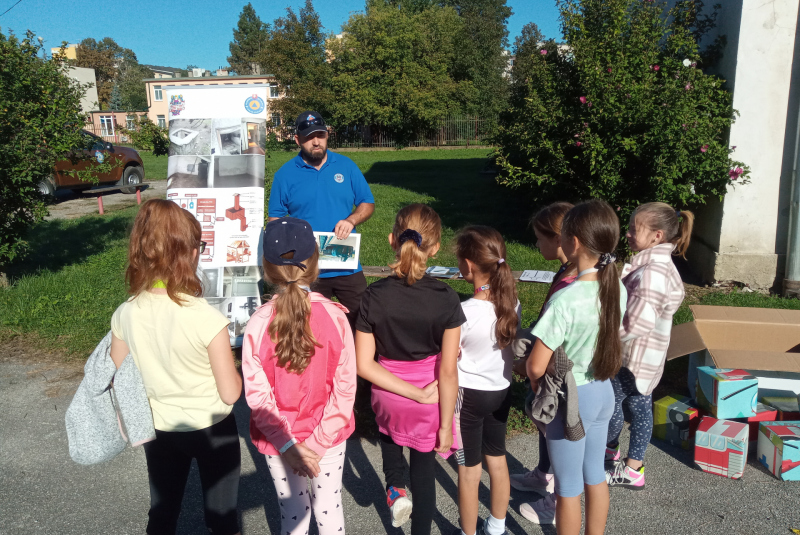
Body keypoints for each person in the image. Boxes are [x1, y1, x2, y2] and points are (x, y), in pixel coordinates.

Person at [109, 199, 242, 535]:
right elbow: (230, 391)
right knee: (222, 517)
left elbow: (118, 372)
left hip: (159, 429)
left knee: (163, 510)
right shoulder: (206, 319)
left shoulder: (125, 313)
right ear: (189, 252)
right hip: (213, 427)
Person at [354, 204, 466, 535]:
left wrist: (408, 392)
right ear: (435, 247)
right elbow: (448, 372)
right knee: (424, 472)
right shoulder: (447, 298)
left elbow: (363, 363)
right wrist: (445, 426)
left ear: (392, 240)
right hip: (430, 400)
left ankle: (395, 490)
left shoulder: (373, 295)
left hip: (388, 395)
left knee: (390, 439)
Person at [242, 217, 357, 535]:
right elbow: (345, 390)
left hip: (278, 443)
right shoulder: (336, 318)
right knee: (329, 510)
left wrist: (287, 444)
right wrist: (319, 443)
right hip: (329, 440)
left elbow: (257, 396)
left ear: (267, 269)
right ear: (315, 262)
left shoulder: (257, 324)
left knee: (293, 514)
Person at [525, 199, 626, 534]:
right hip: (603, 392)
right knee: (595, 475)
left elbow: (536, 365)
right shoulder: (617, 288)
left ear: (574, 242)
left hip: (570, 401)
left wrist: (536, 386)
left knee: (568, 489)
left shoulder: (565, 300)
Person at [605, 203, 692, 489]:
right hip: (647, 357)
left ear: (656, 236)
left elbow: (636, 323)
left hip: (631, 357)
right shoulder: (658, 266)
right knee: (640, 406)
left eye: (633, 229)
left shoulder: (653, 272)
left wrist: (605, 338)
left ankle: (608, 455)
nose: (627, 234)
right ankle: (633, 466)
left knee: (611, 404)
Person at [267, 111, 375, 328]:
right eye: (308, 137)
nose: (315, 142)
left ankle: (361, 360)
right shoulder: (284, 174)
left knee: (365, 320)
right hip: (306, 268)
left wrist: (351, 220)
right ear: (297, 140)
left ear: (328, 135)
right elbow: (275, 220)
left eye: (320, 135)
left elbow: (367, 203)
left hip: (346, 263)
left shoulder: (346, 166)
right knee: (307, 325)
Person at [509, 202, 578, 524]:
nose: (536, 244)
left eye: (540, 237)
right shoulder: (566, 271)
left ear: (560, 238)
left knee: (556, 429)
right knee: (545, 426)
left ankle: (556, 501)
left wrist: (526, 366)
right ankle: (543, 473)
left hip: (556, 372)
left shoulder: (570, 284)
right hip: (550, 364)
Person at [453, 226, 521, 535]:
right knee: (497, 458)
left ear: (467, 266)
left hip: (469, 397)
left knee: (469, 470)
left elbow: (450, 355)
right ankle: (496, 527)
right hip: (501, 392)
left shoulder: (464, 312)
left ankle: (468, 532)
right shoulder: (511, 303)